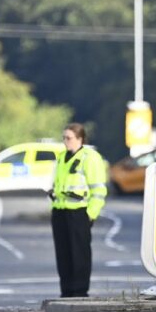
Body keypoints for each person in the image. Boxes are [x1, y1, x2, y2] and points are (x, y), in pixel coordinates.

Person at [50, 123, 107, 297]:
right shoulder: (61, 157)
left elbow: (98, 190)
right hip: (60, 210)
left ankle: (80, 290)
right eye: (64, 138)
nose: (65, 142)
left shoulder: (89, 158)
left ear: (80, 139)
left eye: (69, 138)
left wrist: (91, 214)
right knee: (63, 253)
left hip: (79, 211)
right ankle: (66, 290)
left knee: (79, 253)